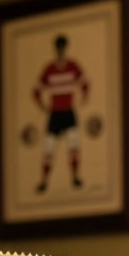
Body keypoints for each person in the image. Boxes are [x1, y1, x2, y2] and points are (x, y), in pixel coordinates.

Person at [32, 34, 89, 193]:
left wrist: (84, 97)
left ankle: (75, 177)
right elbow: (36, 90)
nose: (61, 51)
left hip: (68, 112)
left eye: (62, 48)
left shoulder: (72, 66)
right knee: (49, 148)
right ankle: (44, 181)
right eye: (58, 48)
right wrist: (42, 106)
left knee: (73, 146)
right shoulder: (49, 69)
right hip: (55, 113)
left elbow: (85, 82)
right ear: (55, 49)